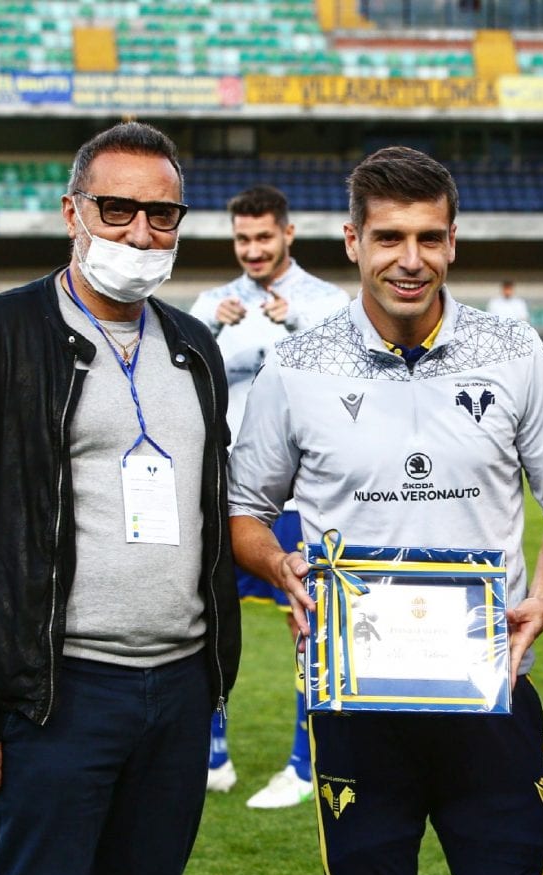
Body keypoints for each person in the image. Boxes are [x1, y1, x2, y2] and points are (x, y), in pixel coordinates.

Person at [228, 146, 543, 875]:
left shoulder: (512, 350)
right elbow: (244, 509)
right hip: (357, 707)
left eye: (430, 237)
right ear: (352, 241)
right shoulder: (297, 365)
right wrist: (280, 566)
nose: (411, 259)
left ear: (453, 242)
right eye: (389, 237)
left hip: (492, 694)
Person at [0, 121, 242, 875]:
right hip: (55, 693)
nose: (140, 233)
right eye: (117, 208)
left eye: (162, 214)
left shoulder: (194, 346)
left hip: (177, 691)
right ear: (72, 211)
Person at [190, 185, 350, 807]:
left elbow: (350, 380)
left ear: (287, 234)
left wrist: (298, 325)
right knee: (205, 618)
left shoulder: (326, 302)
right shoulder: (211, 303)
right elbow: (178, 379)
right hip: (221, 489)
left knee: (306, 622)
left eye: (263, 237)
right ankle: (212, 755)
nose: (253, 249)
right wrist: (209, 328)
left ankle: (305, 765)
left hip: (299, 493)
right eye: (242, 239)